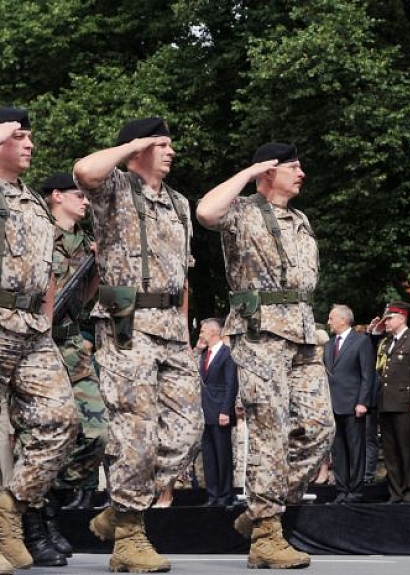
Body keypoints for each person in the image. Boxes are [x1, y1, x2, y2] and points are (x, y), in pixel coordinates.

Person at [73, 117, 203, 573]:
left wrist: (185, 333)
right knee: (135, 432)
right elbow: (84, 171)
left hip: (170, 325)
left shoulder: (180, 203)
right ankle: (129, 538)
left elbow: (183, 277)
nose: (169, 151)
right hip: (127, 326)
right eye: (160, 144)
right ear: (139, 148)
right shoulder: (114, 189)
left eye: (169, 143)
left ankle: (119, 510)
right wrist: (134, 144)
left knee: (189, 428)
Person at [196, 142, 334, 569]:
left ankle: (259, 510)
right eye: (294, 167)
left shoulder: (300, 218)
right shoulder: (243, 210)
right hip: (260, 333)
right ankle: (267, 533)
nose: (303, 174)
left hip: (302, 333)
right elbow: (205, 212)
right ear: (269, 172)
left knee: (319, 429)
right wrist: (249, 170)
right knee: (269, 430)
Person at [0, 108, 79, 574]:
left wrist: (47, 319)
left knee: (62, 420)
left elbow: (47, 270)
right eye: (19, 136)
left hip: (31, 326)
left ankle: (9, 511)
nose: (30, 144)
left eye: (32, 137)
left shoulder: (31, 201)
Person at [17, 172, 107, 566]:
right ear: (56, 197)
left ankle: (49, 505)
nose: (85, 201)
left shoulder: (87, 244)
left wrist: (98, 264)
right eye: (78, 195)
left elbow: (86, 301)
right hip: (35, 340)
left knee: (95, 431)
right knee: (41, 433)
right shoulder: (40, 232)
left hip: (70, 344)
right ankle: (35, 525)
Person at [367, 302, 410, 504]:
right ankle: (395, 492)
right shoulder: (385, 342)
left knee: (407, 450)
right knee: (390, 452)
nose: (386, 322)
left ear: (401, 318)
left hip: (404, 403)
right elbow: (376, 364)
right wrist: (374, 335)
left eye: (389, 318)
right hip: (386, 403)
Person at [324, 304, 375, 503]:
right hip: (333, 405)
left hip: (354, 404)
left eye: (331, 318)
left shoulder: (361, 341)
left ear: (343, 320)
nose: (328, 322)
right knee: (338, 450)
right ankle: (342, 489)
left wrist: (362, 402)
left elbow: (367, 375)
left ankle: (355, 490)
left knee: (355, 448)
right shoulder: (329, 345)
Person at [197, 318, 238, 506]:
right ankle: (212, 495)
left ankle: (224, 495)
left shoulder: (227, 354)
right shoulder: (205, 354)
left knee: (223, 456)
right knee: (209, 457)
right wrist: (198, 350)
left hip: (220, 412)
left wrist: (225, 410)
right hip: (205, 412)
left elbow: (230, 384)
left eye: (203, 331)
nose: (200, 334)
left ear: (214, 332)